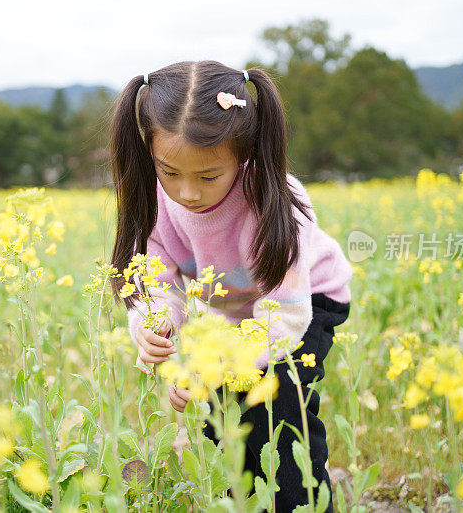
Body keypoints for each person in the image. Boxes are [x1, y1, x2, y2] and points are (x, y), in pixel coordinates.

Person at [108, 60, 352, 512]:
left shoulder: (277, 201)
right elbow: (158, 283)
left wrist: (211, 363)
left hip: (307, 303)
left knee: (278, 414)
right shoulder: (155, 201)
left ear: (244, 154)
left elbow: (286, 318)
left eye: (208, 176)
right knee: (223, 416)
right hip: (238, 314)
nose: (188, 193)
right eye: (170, 172)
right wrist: (155, 330)